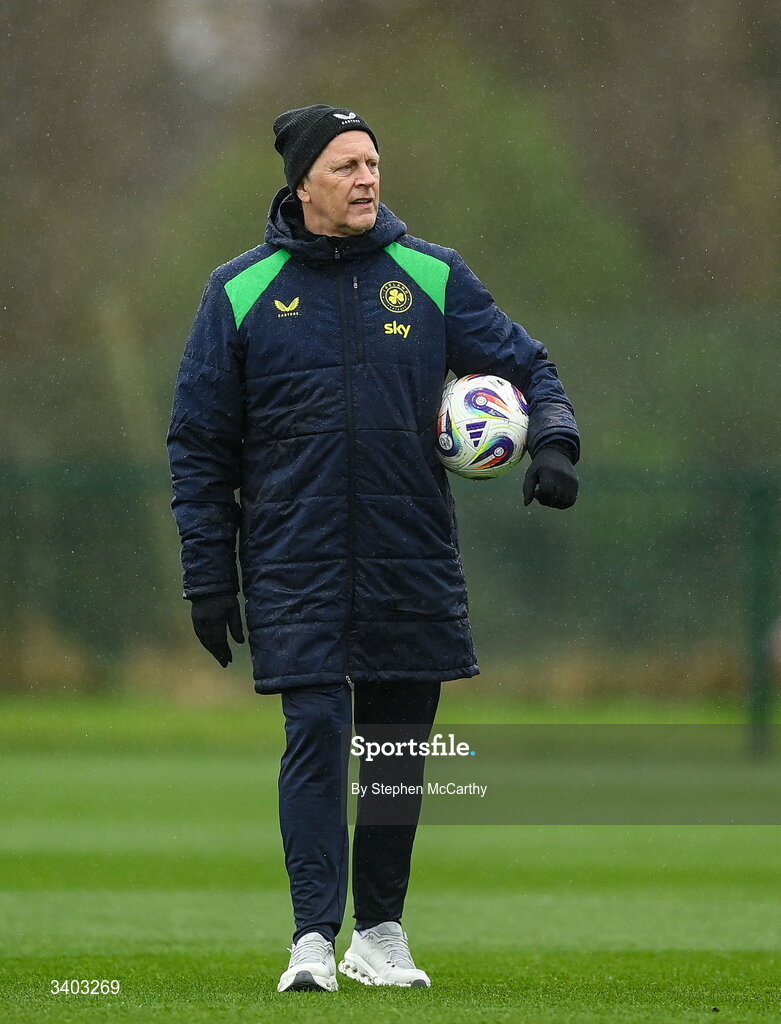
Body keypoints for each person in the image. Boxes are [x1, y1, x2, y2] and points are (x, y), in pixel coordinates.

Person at [167, 104, 580, 992]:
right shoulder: (238, 291)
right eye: (345, 165)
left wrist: (552, 441)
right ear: (302, 184)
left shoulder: (431, 275)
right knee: (316, 733)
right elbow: (199, 445)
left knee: (393, 751)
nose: (366, 178)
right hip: (294, 561)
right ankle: (312, 938)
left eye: (372, 163)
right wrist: (208, 576)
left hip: (408, 556)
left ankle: (380, 933)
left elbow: (530, 366)